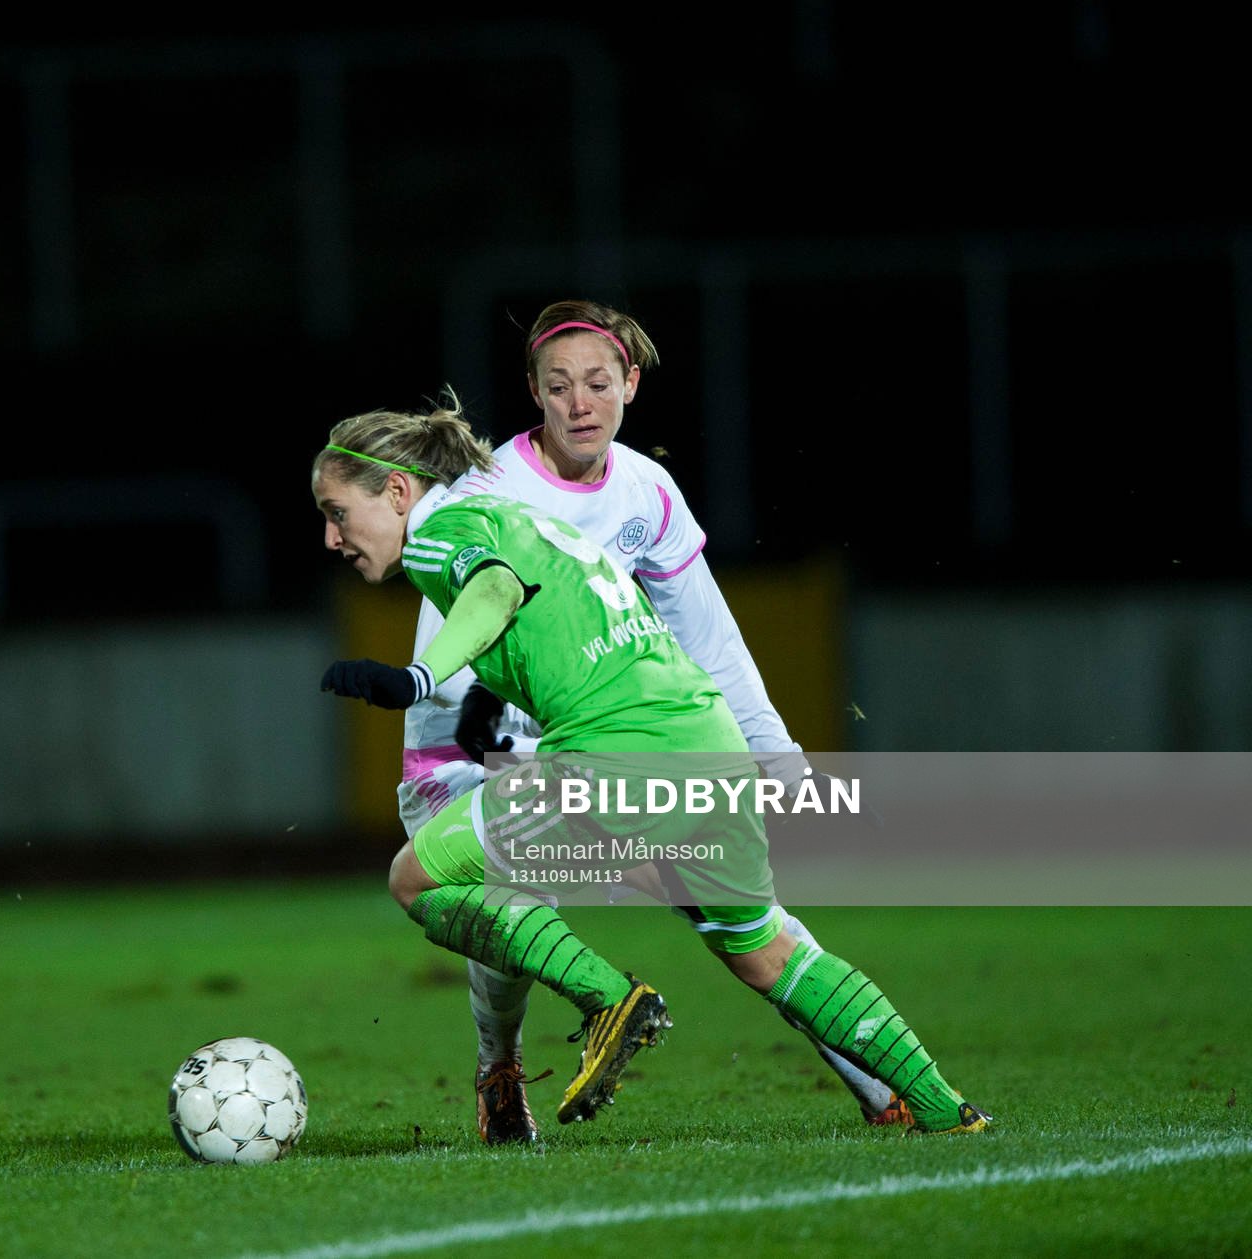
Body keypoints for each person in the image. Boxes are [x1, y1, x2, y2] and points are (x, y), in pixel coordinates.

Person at [311, 400, 989, 1136]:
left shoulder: (438, 533)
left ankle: (606, 997)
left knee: (416, 877)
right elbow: (560, 615)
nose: (330, 534)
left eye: (338, 511)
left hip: (610, 757)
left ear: (399, 492)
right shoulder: (524, 517)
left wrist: (419, 677)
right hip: (702, 736)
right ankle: (944, 1108)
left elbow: (495, 590)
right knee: (764, 948)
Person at [394, 300, 903, 1144]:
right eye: (559, 388)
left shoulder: (647, 491)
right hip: (467, 754)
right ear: (534, 393)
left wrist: (779, 761)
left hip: (602, 748)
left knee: (739, 908)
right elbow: (448, 658)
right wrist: (503, 755)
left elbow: (711, 643)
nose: (580, 403)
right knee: (511, 899)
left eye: (598, 383)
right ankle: (500, 1071)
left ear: (630, 383)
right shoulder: (484, 494)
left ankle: (880, 1081)